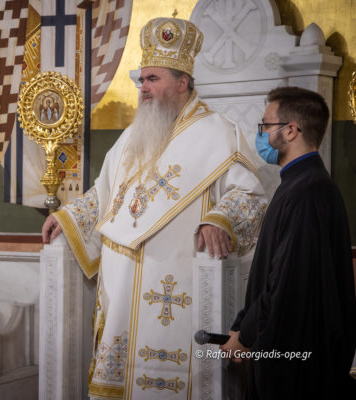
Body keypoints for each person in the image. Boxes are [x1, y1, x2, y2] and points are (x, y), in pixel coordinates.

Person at [42, 17, 267, 399]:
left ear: (182, 83)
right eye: (141, 80)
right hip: (121, 286)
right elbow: (105, 192)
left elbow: (250, 195)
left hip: (176, 282)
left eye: (152, 79)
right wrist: (70, 217)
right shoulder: (134, 134)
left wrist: (220, 219)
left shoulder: (219, 133)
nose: (142, 88)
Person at [220, 87, 356, 398]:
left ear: (291, 130)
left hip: (296, 361)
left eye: (266, 125)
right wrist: (243, 324)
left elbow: (286, 282)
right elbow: (271, 271)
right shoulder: (301, 184)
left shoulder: (306, 192)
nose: (261, 134)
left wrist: (247, 335)